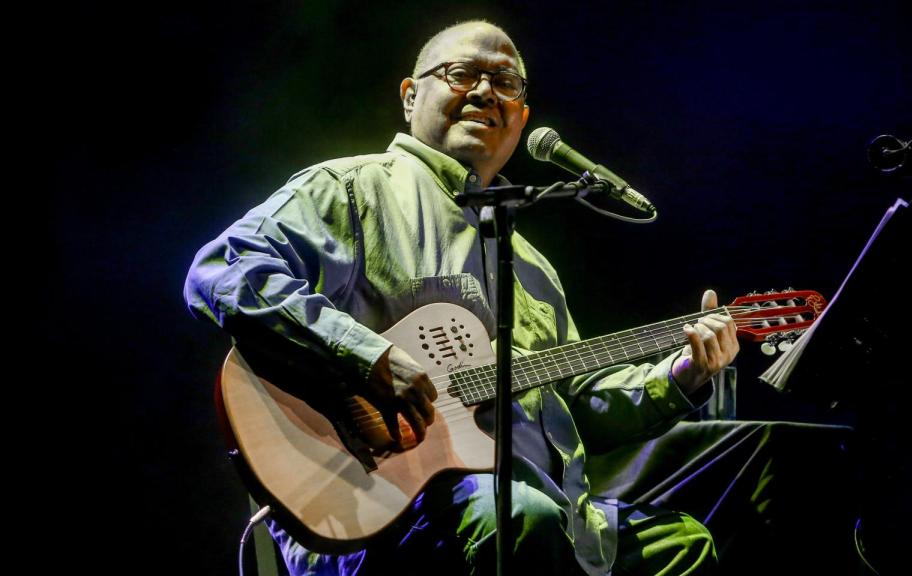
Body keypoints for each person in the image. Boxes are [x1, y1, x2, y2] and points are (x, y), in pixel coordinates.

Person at [186, 20, 850, 576]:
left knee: (686, 549)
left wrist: (683, 375)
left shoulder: (531, 267)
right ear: (410, 95)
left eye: (505, 83)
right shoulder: (352, 189)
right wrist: (367, 359)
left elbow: (567, 410)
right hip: (370, 506)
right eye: (461, 75)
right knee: (522, 519)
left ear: (522, 117)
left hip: (543, 512)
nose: (484, 91)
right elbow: (222, 272)